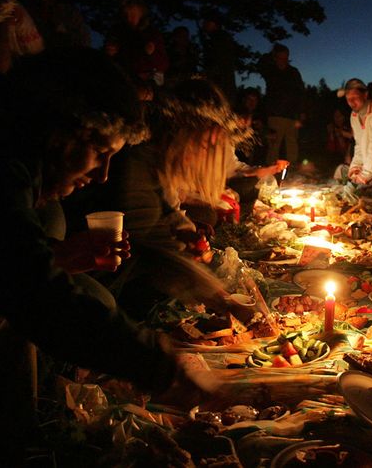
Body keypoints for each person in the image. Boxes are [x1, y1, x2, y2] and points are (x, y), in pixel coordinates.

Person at [0, 0, 215, 463]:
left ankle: (16, 432)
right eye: (99, 153)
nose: (102, 176)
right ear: (62, 130)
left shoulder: (2, 138)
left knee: (82, 283)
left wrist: (57, 258)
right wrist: (152, 360)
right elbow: (23, 283)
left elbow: (1, 253)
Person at [73, 78, 255, 320]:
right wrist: (217, 296)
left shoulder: (161, 157)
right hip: (102, 271)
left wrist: (187, 233)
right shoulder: (136, 159)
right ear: (182, 131)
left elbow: (169, 209)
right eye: (203, 145)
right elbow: (149, 246)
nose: (204, 155)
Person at [257, 43, 305, 164]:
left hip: (291, 115)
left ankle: (292, 169)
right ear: (275, 57)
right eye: (280, 57)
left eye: (286, 57)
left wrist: (301, 112)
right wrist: (271, 54)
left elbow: (300, 92)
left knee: (292, 144)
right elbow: (260, 64)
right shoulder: (270, 70)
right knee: (273, 145)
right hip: (275, 114)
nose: (283, 60)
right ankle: (270, 171)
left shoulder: (293, 72)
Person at [339, 78, 372, 184]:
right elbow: (359, 145)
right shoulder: (354, 116)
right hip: (369, 170)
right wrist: (355, 168)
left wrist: (364, 175)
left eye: (355, 98)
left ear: (365, 95)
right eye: (348, 99)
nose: (351, 103)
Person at [107, 0, 169, 87]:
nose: (129, 19)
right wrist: (111, 53)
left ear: (141, 12)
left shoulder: (152, 34)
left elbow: (164, 64)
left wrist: (152, 53)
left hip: (150, 81)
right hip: (127, 79)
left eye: (132, 14)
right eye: (126, 15)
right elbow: (120, 62)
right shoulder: (121, 35)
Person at [200, 11, 238, 105]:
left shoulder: (219, 39)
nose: (204, 25)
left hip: (220, 87)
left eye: (206, 22)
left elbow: (219, 63)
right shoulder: (218, 38)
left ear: (214, 24)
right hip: (222, 86)